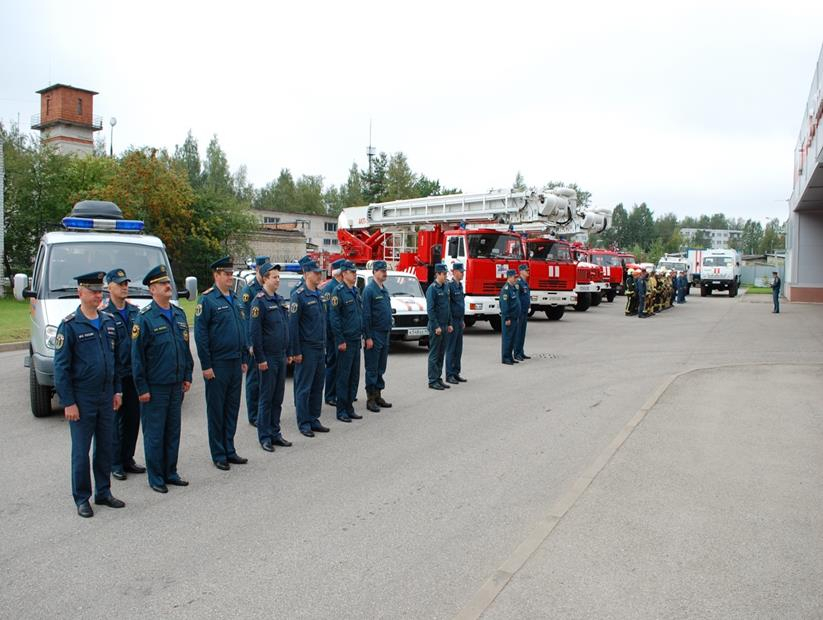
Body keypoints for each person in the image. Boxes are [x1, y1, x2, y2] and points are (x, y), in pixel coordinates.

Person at [54, 271, 125, 518]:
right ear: (80, 293)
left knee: (105, 447)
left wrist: (117, 390)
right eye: (93, 291)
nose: (98, 296)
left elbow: (114, 361)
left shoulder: (107, 322)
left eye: (100, 291)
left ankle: (103, 492)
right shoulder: (70, 325)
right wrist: (69, 402)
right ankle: (82, 498)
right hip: (82, 398)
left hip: (106, 396)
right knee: (81, 452)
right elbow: (61, 368)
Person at [131, 265, 194, 494]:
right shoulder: (145, 318)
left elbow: (184, 348)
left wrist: (187, 374)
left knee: (172, 430)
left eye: (168, 282)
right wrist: (142, 387)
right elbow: (136, 358)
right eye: (163, 284)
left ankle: (171, 471)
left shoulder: (178, 314)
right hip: (155, 386)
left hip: (175, 383)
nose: (169, 286)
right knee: (155, 433)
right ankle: (156, 476)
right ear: (152, 289)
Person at [195, 256, 250, 471]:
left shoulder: (235, 299)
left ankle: (229, 448)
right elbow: (201, 336)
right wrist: (206, 365)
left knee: (231, 408)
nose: (230, 277)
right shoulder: (207, 300)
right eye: (226, 274)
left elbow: (242, 330)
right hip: (217, 364)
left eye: (231, 274)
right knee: (217, 411)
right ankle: (218, 453)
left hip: (235, 362)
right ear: (216, 275)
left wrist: (244, 357)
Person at [101, 268, 144, 481]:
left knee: (133, 419)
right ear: (109, 288)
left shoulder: (135, 311)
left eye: (126, 283)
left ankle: (128, 458)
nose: (125, 287)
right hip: (115, 375)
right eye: (120, 284)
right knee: (116, 421)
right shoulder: (104, 314)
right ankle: (115, 462)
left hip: (133, 374)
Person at [249, 262, 293, 452]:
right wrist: (261, 359)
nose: (278, 280)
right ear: (265, 278)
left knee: (278, 397)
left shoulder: (279, 300)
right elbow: (255, 333)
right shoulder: (259, 301)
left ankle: (275, 433)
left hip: (281, 356)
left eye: (278, 277)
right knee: (266, 399)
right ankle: (264, 436)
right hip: (268, 357)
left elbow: (285, 328)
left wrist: (289, 352)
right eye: (275, 277)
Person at [290, 258, 331, 437]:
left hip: (319, 347)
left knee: (317, 385)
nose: (319, 275)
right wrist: (296, 351)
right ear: (306, 274)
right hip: (306, 348)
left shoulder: (319, 294)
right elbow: (293, 327)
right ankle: (304, 422)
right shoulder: (298, 295)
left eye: (320, 272)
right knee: (304, 387)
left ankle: (314, 418)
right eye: (316, 273)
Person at [328, 261, 364, 422]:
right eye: (351, 272)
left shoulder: (355, 291)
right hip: (346, 341)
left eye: (355, 272)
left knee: (354, 376)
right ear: (344, 274)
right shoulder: (338, 292)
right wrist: (340, 340)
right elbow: (334, 319)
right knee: (343, 376)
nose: (354, 274)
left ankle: (349, 407)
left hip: (356, 339)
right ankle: (341, 410)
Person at [240, 256, 268, 427]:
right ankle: (253, 415)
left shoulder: (266, 288)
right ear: (257, 269)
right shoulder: (249, 290)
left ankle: (263, 411)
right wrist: (249, 343)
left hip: (265, 340)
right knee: (253, 380)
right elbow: (245, 318)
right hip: (253, 343)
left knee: (265, 380)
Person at [362, 260, 393, 412]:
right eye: (381, 270)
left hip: (385, 333)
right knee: (372, 367)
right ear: (374, 272)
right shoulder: (369, 290)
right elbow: (366, 315)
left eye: (385, 270)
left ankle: (378, 394)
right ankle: (370, 399)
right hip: (374, 334)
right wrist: (368, 337)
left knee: (381, 367)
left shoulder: (384, 289)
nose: (384, 273)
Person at [322, 259, 346, 408]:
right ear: (339, 273)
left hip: (341, 333)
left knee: (341, 365)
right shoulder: (330, 288)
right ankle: (330, 395)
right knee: (332, 364)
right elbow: (327, 315)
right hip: (332, 334)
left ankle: (339, 392)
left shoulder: (341, 287)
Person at [426, 263, 452, 390]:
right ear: (438, 274)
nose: (446, 276)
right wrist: (436, 326)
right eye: (444, 274)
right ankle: (432, 380)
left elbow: (448, 307)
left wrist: (449, 323)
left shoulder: (446, 287)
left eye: (446, 274)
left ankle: (438, 378)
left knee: (441, 353)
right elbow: (430, 310)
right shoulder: (432, 289)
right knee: (434, 354)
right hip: (436, 327)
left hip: (444, 325)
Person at [445, 262, 467, 384]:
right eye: (461, 271)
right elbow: (448, 306)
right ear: (454, 272)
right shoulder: (450, 286)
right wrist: (449, 323)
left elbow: (461, 304)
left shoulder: (460, 286)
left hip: (459, 320)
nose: (463, 273)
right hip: (452, 320)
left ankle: (456, 372)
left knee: (458, 349)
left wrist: (462, 319)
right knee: (451, 348)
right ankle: (449, 374)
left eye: (463, 271)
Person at [499, 269, 521, 364]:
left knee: (513, 338)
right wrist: (507, 317)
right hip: (509, 318)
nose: (515, 279)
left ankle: (510, 356)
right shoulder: (506, 289)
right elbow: (504, 305)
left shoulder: (513, 288)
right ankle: (505, 357)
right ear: (509, 277)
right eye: (514, 277)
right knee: (507, 338)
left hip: (515, 317)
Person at [514, 263, 531, 361]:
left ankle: (521, 351)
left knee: (523, 332)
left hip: (525, 311)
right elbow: (517, 298)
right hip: (520, 311)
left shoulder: (525, 282)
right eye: (526, 270)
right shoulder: (519, 283)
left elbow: (526, 296)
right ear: (521, 272)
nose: (527, 272)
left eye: (528, 270)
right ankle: (517, 353)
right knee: (518, 333)